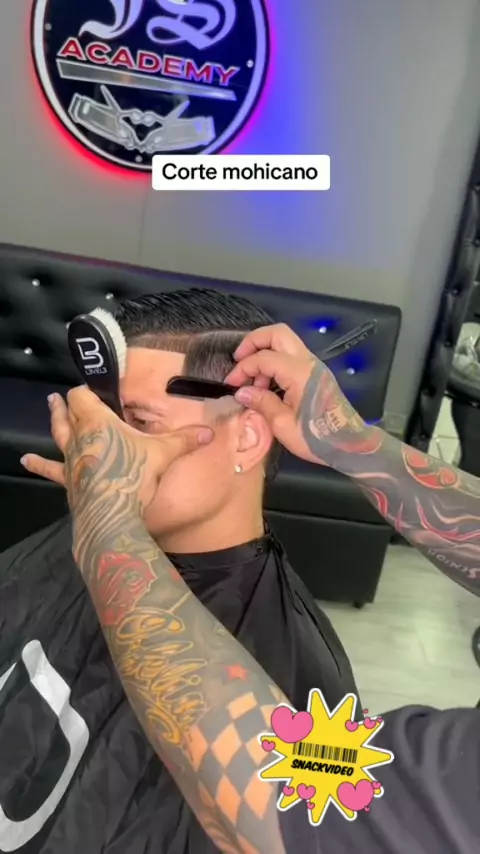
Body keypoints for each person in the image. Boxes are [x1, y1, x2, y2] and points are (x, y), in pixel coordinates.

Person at [57, 322, 479, 854]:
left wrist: (105, 521)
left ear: (247, 436)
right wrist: (350, 440)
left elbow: (296, 793)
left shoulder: (295, 665)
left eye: (138, 424)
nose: (109, 449)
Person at [0, 290, 357, 854]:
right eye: (99, 422)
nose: (97, 452)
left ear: (247, 436)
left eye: (138, 422)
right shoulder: (85, 531)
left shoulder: (309, 691)